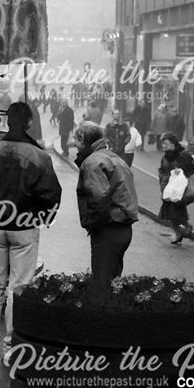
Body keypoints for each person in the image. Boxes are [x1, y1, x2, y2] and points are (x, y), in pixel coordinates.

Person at [0, 102, 62, 360]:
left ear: (7, 121)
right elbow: (51, 194)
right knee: (18, 287)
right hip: (25, 227)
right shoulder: (39, 156)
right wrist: (41, 216)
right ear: (29, 123)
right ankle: (11, 348)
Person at [73, 122, 138, 299]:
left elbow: (98, 199)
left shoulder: (93, 162)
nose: (74, 145)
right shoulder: (113, 158)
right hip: (123, 228)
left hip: (108, 229)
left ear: (82, 138)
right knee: (114, 282)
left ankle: (103, 323)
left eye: (75, 140)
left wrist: (91, 224)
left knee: (101, 285)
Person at [158, 132, 194, 244]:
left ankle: (187, 226)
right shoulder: (165, 156)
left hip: (179, 189)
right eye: (162, 144)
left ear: (173, 143)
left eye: (165, 143)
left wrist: (182, 173)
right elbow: (162, 169)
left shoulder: (183, 155)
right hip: (168, 189)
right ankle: (178, 233)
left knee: (178, 211)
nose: (163, 146)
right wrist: (162, 177)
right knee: (169, 213)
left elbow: (192, 168)